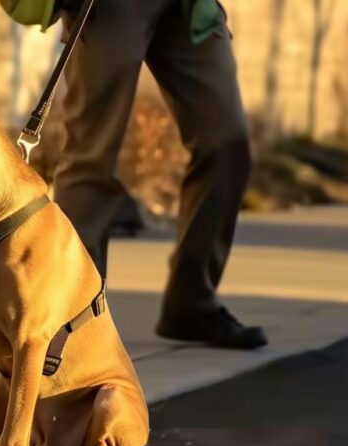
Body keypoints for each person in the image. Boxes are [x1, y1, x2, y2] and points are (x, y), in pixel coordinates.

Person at [51, 0, 267, 349]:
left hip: (188, 8)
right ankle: (74, 321)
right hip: (110, 8)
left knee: (227, 142)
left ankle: (192, 302)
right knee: (91, 155)